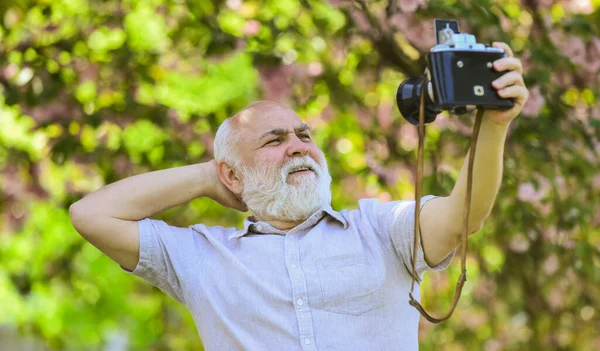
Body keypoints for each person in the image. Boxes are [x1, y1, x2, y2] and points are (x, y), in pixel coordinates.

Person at [69, 42, 528, 350]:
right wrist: (209, 177)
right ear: (233, 173)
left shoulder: (380, 229)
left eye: (304, 136)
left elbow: (461, 217)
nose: (298, 146)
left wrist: (494, 126)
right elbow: (90, 214)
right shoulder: (202, 258)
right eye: (274, 141)